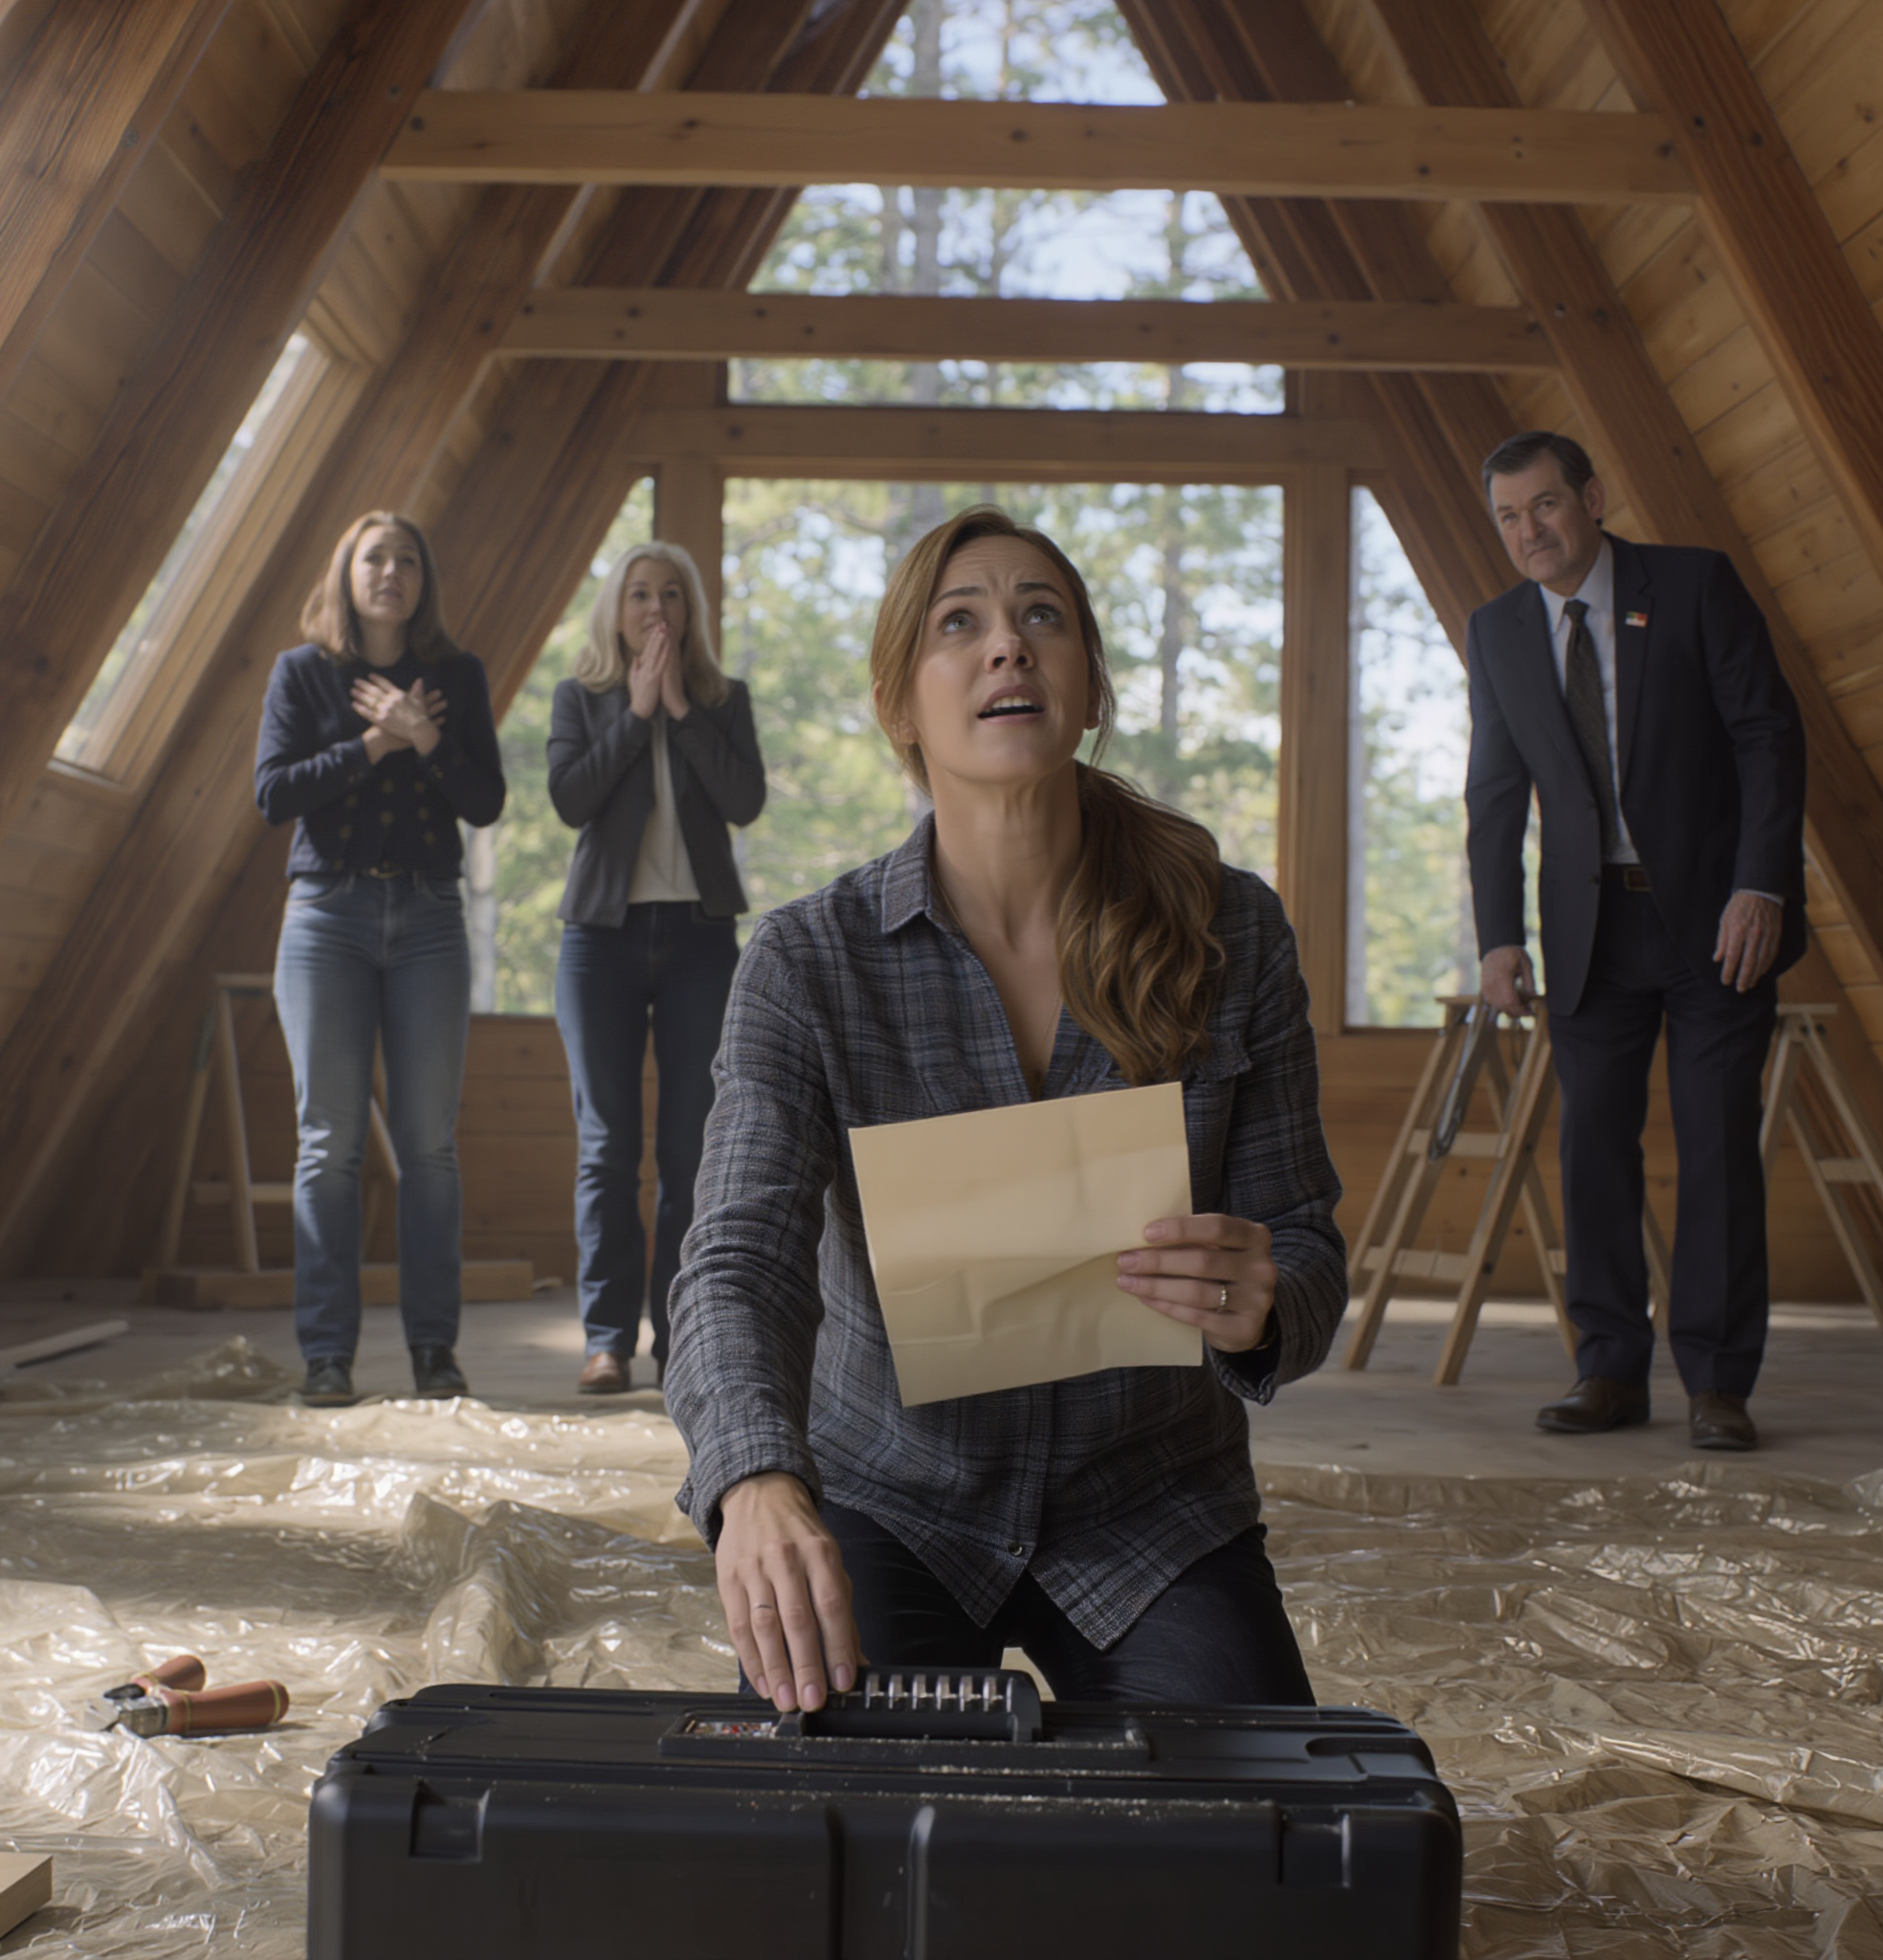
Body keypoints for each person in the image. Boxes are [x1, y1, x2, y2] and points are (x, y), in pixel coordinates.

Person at [664, 506, 1347, 1714]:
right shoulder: (806, 962)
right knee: (830, 1840)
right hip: (895, 1494)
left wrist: (1261, 1306)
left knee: (1244, 1851)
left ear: (1087, 686)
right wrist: (755, 1480)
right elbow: (735, 1261)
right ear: (899, 703)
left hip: (1154, 1509)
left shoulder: (1232, 930)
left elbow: (1299, 1237)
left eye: (1043, 616)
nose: (1007, 646)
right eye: (959, 623)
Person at [1465, 433, 1806, 1451]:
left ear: (1592, 498)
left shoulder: (1694, 585)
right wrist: (1496, 935)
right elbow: (1492, 792)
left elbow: (1766, 736)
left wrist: (1760, 885)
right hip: (1586, 931)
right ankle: (1607, 1367)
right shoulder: (1495, 631)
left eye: (1544, 506)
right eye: (1508, 517)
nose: (1529, 531)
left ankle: (1715, 1380)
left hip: (1713, 921)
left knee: (1712, 1147)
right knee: (1590, 1150)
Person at [255, 511, 506, 1408]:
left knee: (429, 1147)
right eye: (375, 558)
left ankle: (435, 1352)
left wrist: (425, 733)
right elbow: (273, 793)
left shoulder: (457, 676)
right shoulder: (302, 671)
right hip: (328, 916)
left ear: (423, 579)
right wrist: (375, 741)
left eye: (406, 559)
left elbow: (486, 801)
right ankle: (328, 1357)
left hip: (432, 918)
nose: (391, 571)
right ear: (347, 573)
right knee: (328, 1146)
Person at [548, 543, 765, 1394]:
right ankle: (606, 1340)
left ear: (689, 612)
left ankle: (680, 1338)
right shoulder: (582, 696)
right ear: (617, 607)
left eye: (670, 595)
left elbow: (744, 803)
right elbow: (571, 802)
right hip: (599, 942)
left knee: (690, 1148)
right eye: (640, 593)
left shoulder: (721, 700)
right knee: (606, 1148)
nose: (655, 609)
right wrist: (635, 714)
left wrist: (677, 707)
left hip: (700, 941)